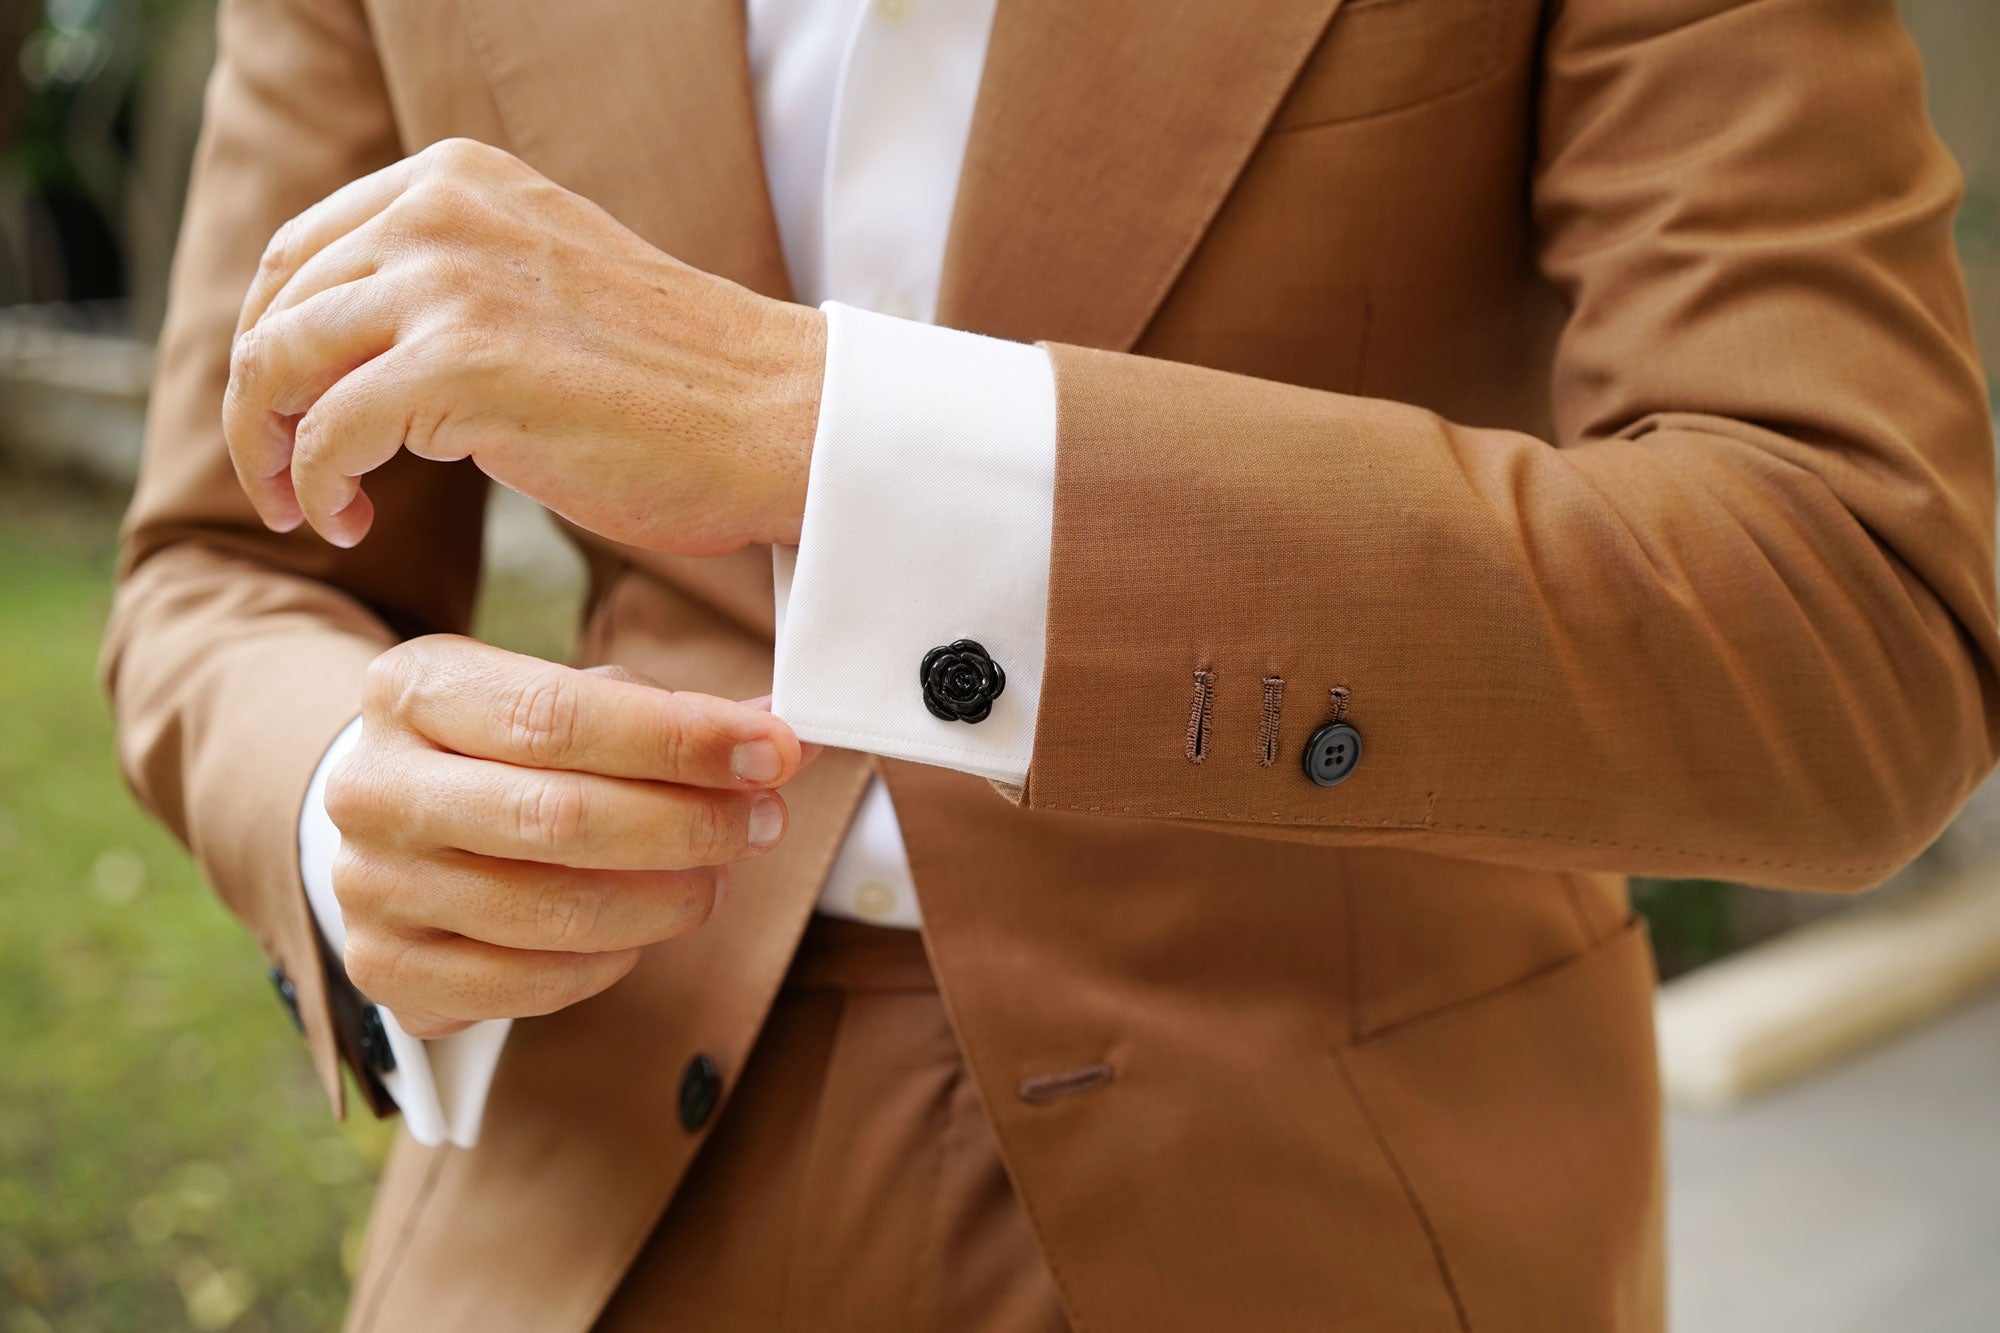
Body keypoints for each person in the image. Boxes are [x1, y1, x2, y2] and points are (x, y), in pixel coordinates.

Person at [102, 0, 1998, 1329]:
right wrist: (351, 815)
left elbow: (1857, 612)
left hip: (1328, 1189)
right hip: (584, 1182)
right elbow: (217, 564)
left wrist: (825, 421)